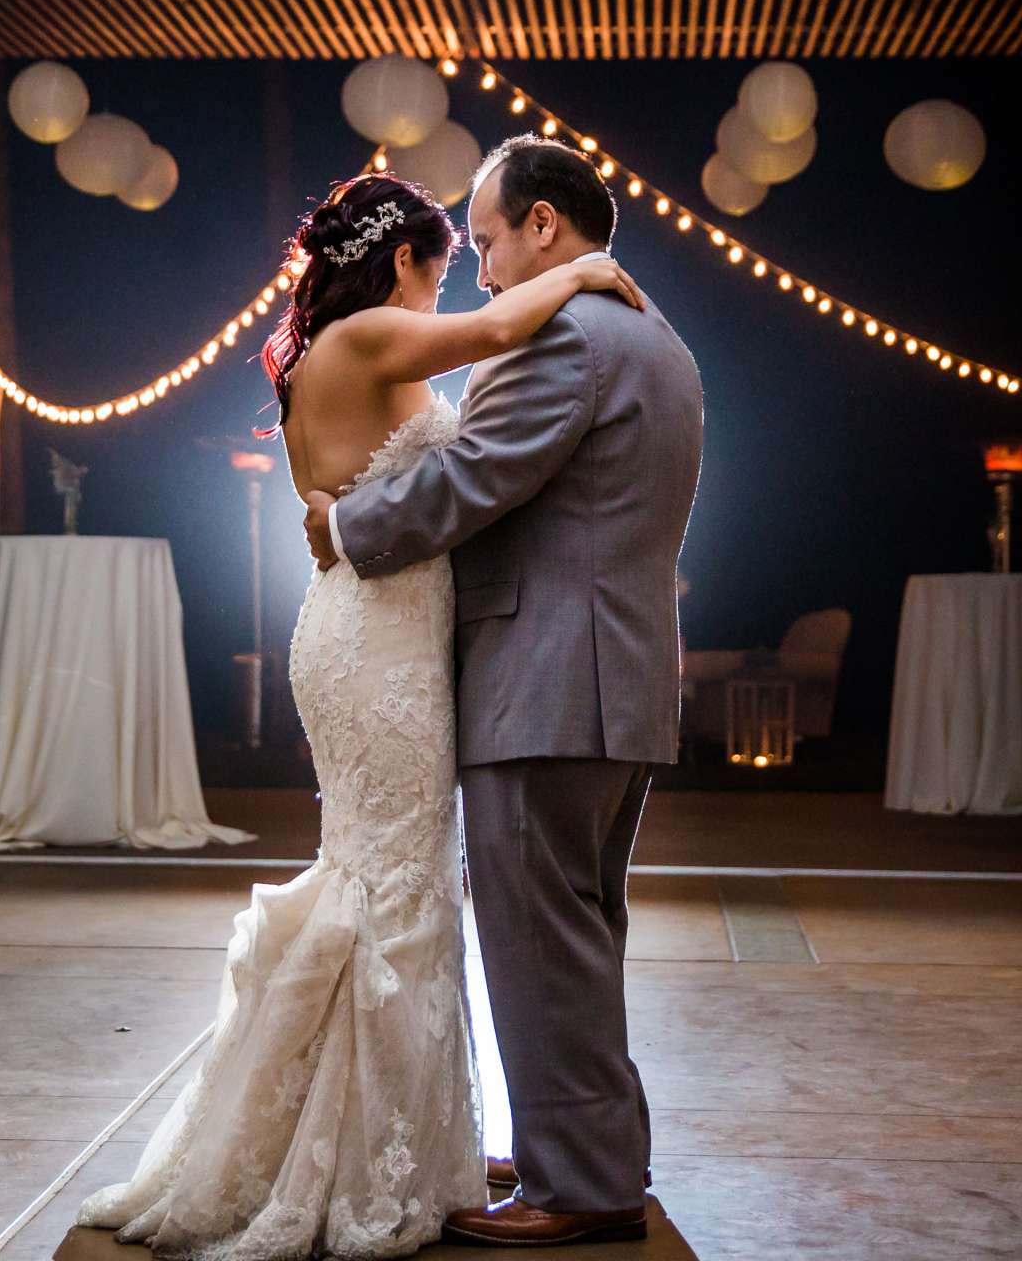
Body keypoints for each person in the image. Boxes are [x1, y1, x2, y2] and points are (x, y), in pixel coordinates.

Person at [77, 170, 649, 1257]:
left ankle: (400, 1127)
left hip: (362, 630)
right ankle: (366, 1138)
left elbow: (358, 486)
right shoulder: (379, 333)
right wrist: (579, 265)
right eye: (448, 261)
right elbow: (498, 326)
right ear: (402, 263)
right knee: (396, 883)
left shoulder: (321, 352)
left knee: (388, 876)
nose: (455, 286)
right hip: (376, 646)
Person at [311, 136, 702, 1246]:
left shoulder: (563, 334)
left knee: (542, 937)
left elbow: (475, 478)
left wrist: (345, 528)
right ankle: (577, 1153)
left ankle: (577, 1187)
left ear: (545, 225)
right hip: (613, 682)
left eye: (485, 237)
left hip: (546, 684)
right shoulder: (654, 336)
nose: (479, 266)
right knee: (580, 931)